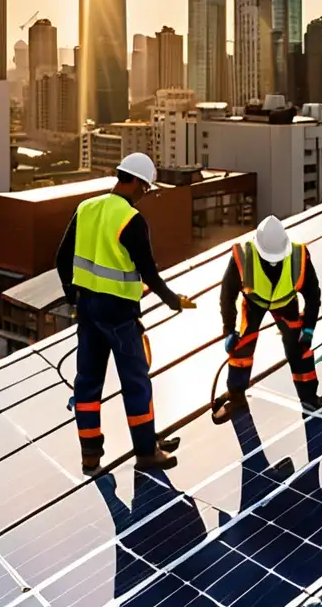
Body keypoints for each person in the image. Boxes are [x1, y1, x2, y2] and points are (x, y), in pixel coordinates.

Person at [57, 152, 192, 476]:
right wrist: (174, 301)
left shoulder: (86, 208)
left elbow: (62, 258)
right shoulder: (131, 220)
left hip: (88, 310)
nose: (144, 193)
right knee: (136, 381)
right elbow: (149, 272)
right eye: (144, 187)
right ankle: (146, 452)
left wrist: (73, 296)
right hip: (118, 313)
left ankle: (90, 455)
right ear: (133, 181)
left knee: (87, 384)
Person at [216, 215, 322, 423]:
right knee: (241, 349)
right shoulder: (243, 256)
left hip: (286, 304)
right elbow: (227, 295)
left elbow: (313, 294)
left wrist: (309, 327)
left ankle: (309, 398)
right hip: (254, 303)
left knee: (300, 350)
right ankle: (237, 395)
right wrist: (229, 329)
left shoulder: (298, 257)